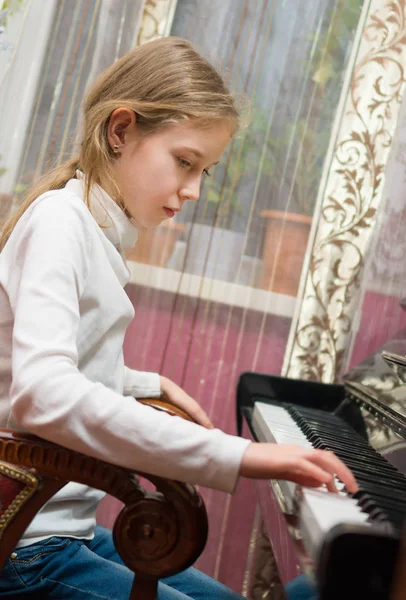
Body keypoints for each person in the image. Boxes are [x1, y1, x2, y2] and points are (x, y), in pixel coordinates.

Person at [0, 36, 357, 599]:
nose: (192, 190)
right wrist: (246, 455)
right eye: (184, 162)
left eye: (205, 172)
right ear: (121, 131)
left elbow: (44, 363)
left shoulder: (91, 231)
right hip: (27, 545)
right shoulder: (59, 225)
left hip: (64, 527)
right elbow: (41, 394)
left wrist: (144, 382)